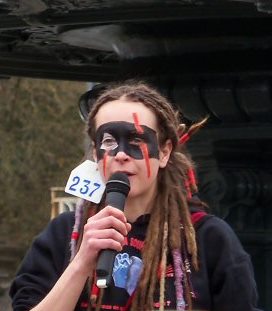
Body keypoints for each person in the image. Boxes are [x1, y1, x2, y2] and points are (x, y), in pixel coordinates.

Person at [10, 81, 262, 311]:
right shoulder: (64, 234)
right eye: (108, 141)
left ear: (164, 152)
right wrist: (81, 262)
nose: (121, 154)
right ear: (96, 154)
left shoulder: (209, 238)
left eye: (136, 139)